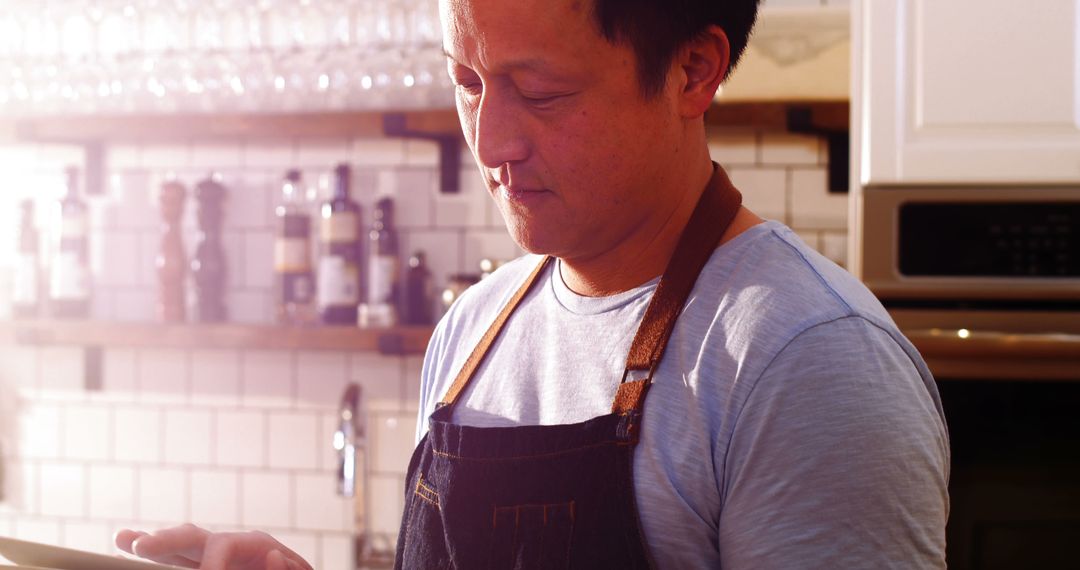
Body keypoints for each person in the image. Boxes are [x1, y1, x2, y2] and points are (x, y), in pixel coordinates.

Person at [116, 0, 950, 567]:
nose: (490, 141)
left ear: (694, 71)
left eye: (540, 92)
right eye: (468, 82)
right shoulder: (474, 331)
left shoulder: (806, 361)